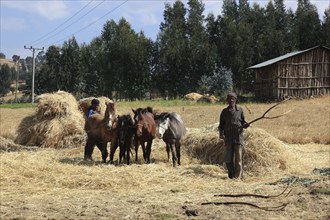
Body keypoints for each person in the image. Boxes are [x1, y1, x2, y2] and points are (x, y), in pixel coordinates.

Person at [218, 92, 249, 179]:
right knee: (228, 160)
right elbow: (221, 126)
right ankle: (231, 176)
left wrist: (245, 125)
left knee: (238, 159)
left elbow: (243, 121)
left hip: (238, 137)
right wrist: (221, 134)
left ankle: (238, 177)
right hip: (228, 138)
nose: (231, 100)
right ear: (227, 100)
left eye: (233, 99)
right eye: (229, 99)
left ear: (235, 100)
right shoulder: (224, 112)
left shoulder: (240, 110)